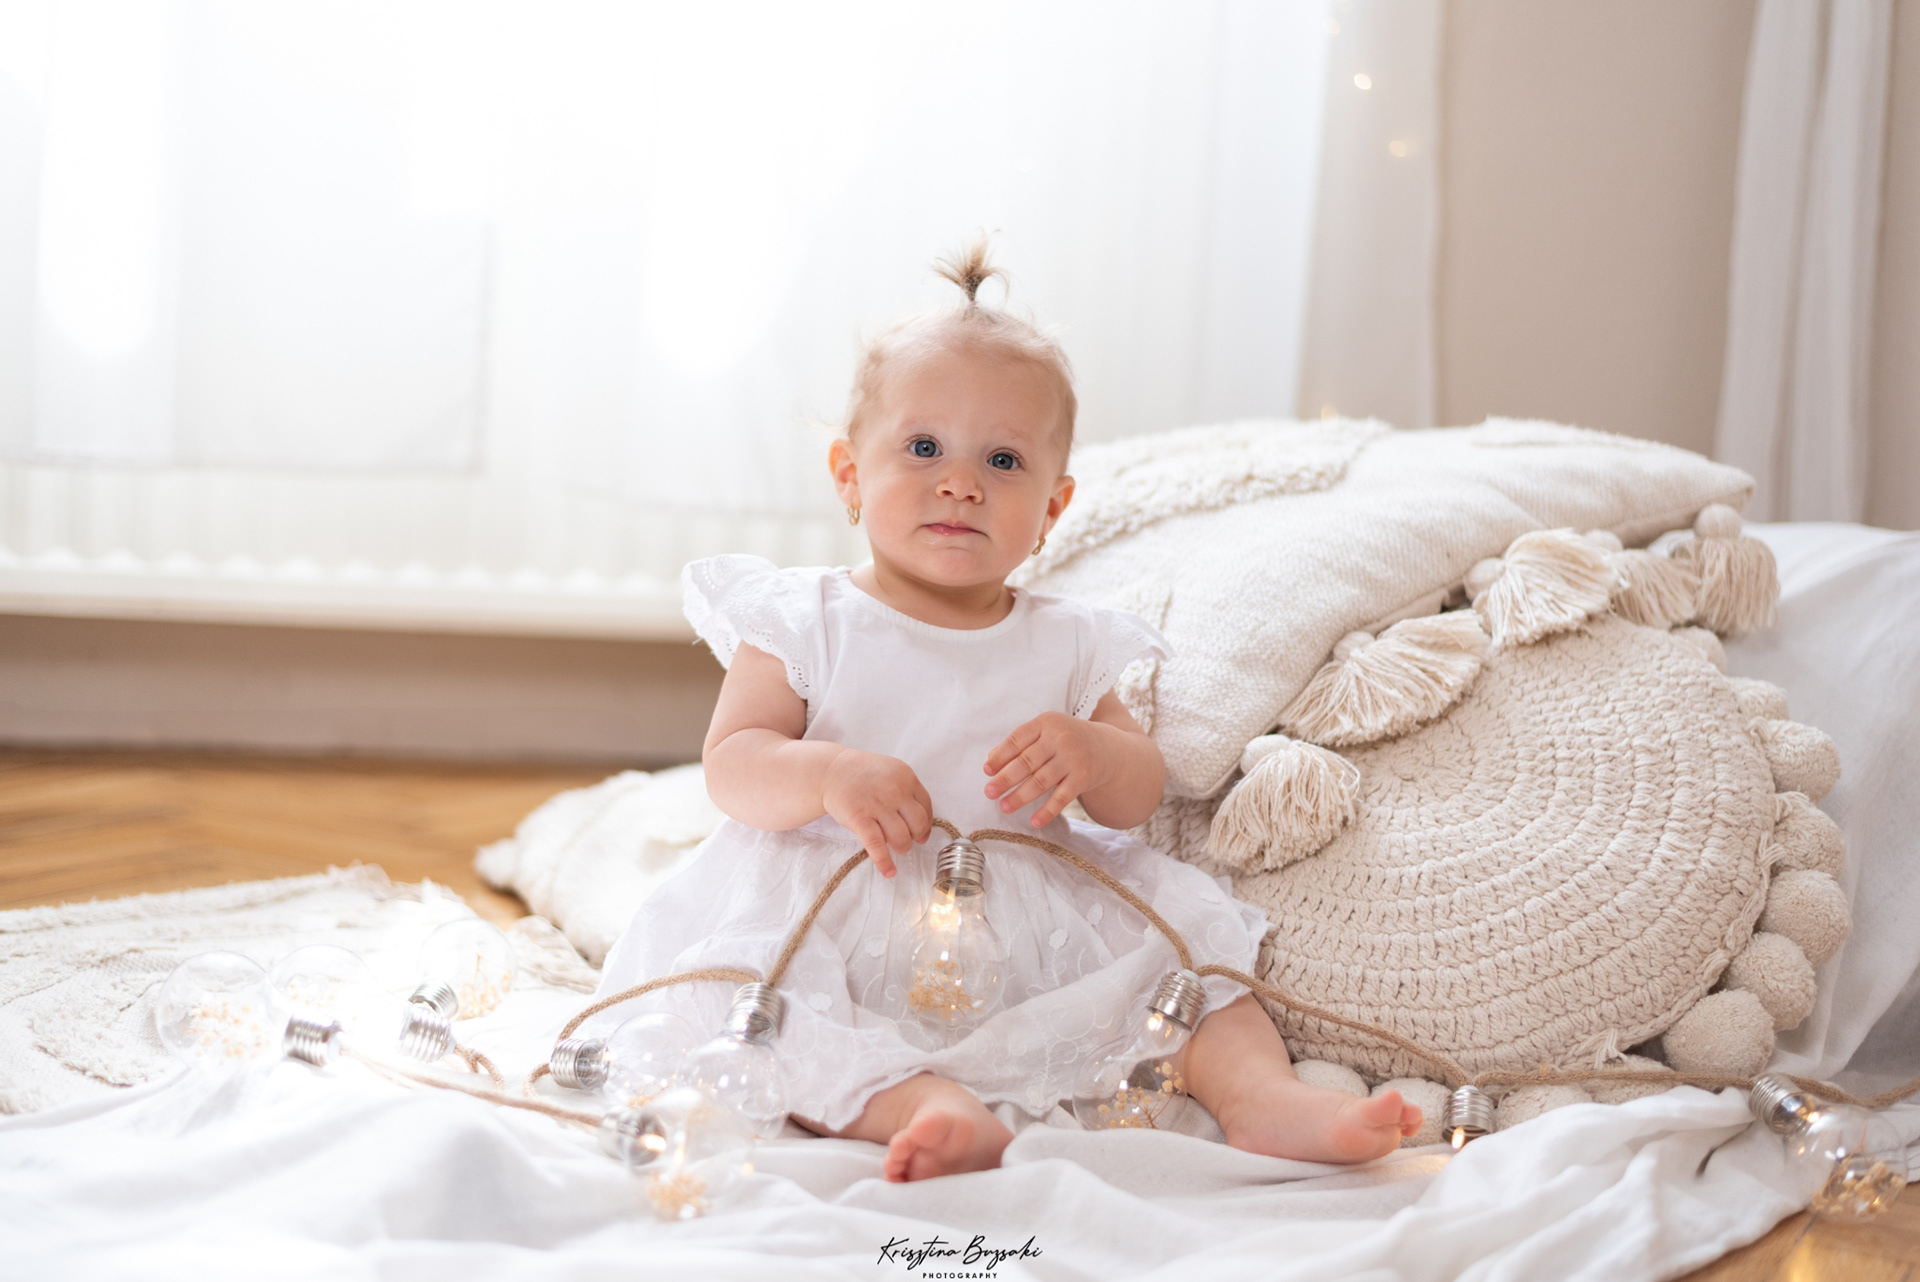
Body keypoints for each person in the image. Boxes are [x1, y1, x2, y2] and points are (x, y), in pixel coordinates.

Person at [595, 241, 1421, 1182]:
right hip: (835, 895)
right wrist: (827, 774)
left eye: (1003, 459)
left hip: (1017, 911)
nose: (961, 482)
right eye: (923, 448)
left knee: (1189, 972)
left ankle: (1259, 1096)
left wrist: (1094, 753)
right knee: (768, 1008)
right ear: (848, 475)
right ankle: (917, 1106)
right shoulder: (804, 618)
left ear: (1053, 508)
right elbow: (734, 762)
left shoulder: (1067, 641)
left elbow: (1134, 796)